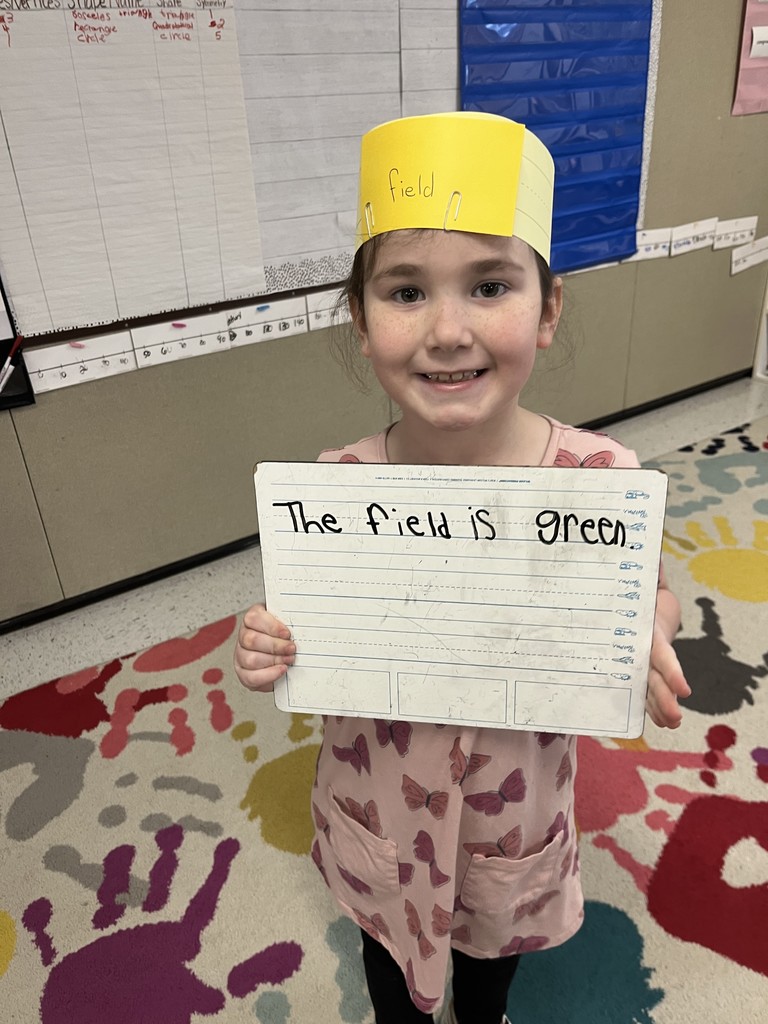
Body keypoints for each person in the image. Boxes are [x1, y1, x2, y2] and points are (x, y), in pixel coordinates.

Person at [234, 112, 690, 1024]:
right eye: (404, 293)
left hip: (509, 814)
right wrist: (268, 642)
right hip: (378, 808)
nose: (447, 330)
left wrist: (647, 625)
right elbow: (307, 626)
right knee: (387, 960)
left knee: (489, 973)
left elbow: (651, 594)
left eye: (489, 285)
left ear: (548, 309)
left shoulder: (598, 480)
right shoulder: (340, 488)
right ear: (360, 324)